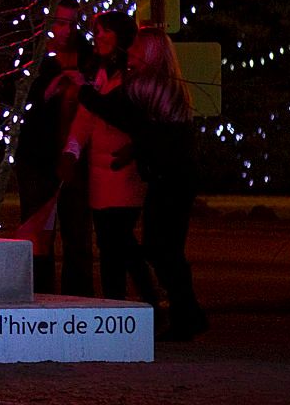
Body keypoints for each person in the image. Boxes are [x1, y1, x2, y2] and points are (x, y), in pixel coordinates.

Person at [77, 27, 208, 339]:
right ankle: (185, 312)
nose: (130, 50)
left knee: (162, 247)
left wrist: (83, 89)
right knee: (165, 247)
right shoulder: (168, 88)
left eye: (136, 46)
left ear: (149, 53)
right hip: (176, 176)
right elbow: (153, 131)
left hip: (170, 178)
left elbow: (118, 112)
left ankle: (187, 314)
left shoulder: (145, 86)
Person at [61, 10, 154, 303]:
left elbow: (120, 113)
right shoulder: (98, 73)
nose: (98, 36)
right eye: (96, 31)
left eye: (105, 31)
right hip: (100, 174)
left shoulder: (133, 75)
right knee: (107, 242)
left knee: (121, 240)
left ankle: (148, 299)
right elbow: (85, 119)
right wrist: (71, 151)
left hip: (124, 170)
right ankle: (116, 303)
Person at [11, 0, 94, 294]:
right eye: (60, 23)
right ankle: (40, 292)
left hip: (77, 157)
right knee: (37, 231)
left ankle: (79, 295)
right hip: (37, 156)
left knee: (78, 233)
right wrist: (49, 91)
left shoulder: (88, 56)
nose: (67, 31)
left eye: (72, 23)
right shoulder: (32, 58)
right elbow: (17, 104)